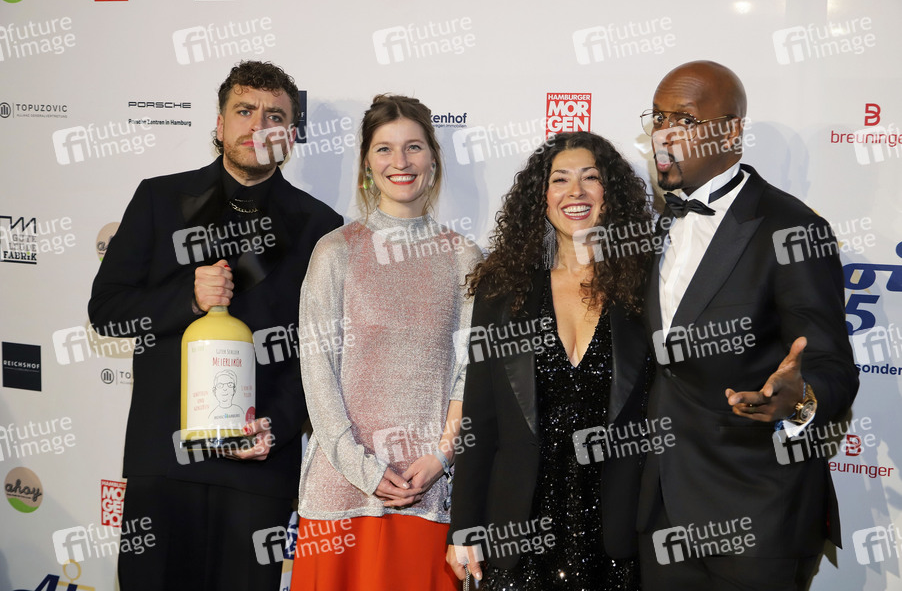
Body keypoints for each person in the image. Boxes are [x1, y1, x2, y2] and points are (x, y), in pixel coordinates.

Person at [88, 60, 343, 590]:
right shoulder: (159, 199)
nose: (258, 126)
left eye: (275, 116)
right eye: (245, 111)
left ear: (290, 135)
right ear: (221, 122)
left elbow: (321, 352)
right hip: (165, 457)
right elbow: (107, 310)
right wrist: (186, 298)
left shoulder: (321, 227)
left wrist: (275, 427)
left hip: (258, 463)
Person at [636, 60, 859, 590]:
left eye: (684, 120)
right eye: (658, 118)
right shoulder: (654, 224)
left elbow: (831, 366)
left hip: (757, 513)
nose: (664, 133)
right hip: (661, 508)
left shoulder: (793, 227)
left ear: (731, 131)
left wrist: (799, 401)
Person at [446, 131, 654, 590]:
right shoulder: (503, 291)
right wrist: (464, 526)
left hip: (619, 531)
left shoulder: (646, 290)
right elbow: (480, 418)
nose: (575, 192)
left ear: (611, 193)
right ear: (541, 197)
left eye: (590, 178)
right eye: (560, 180)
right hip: (516, 530)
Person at [291, 94, 483, 591]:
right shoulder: (335, 252)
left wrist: (441, 458)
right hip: (340, 495)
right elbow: (317, 372)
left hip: (427, 493)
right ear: (366, 164)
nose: (400, 161)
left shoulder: (463, 257)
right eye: (384, 149)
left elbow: (470, 373)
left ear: (433, 160)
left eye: (413, 147)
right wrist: (364, 470)